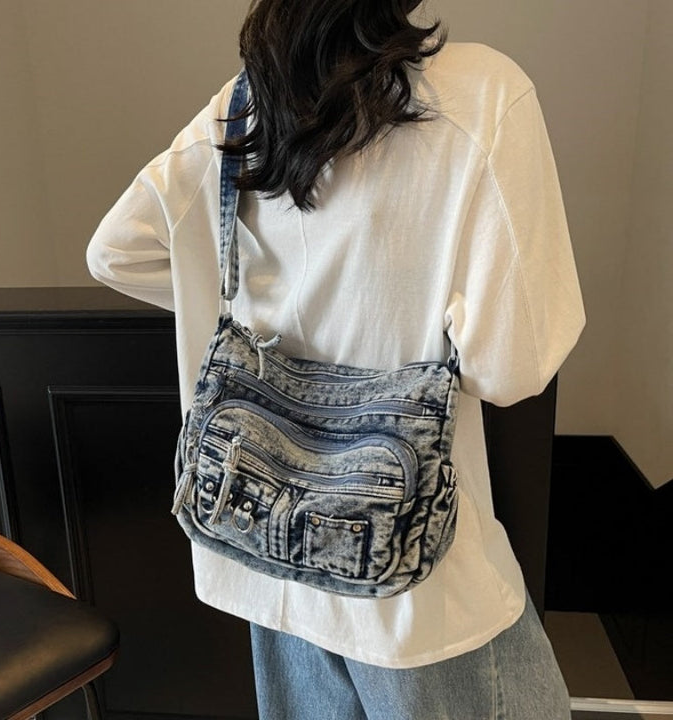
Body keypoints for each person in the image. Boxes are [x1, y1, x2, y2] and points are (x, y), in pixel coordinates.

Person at [87, 1, 585, 717]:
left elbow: (115, 251)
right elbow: (512, 368)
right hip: (410, 577)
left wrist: (235, 305)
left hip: (266, 545)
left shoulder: (244, 102)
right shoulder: (483, 92)